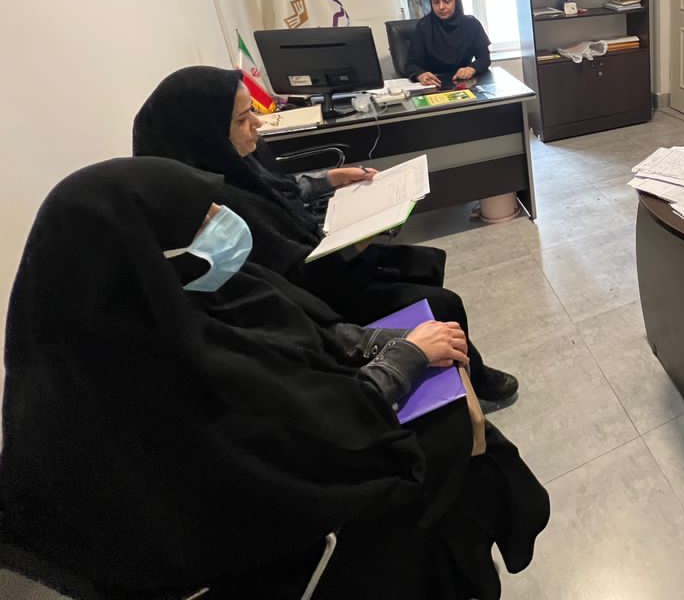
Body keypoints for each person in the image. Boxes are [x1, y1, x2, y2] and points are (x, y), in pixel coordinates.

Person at [0, 158, 548, 598]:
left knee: (449, 395)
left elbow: (296, 333)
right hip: (277, 542)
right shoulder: (135, 381)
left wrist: (373, 345)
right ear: (149, 250)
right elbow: (313, 434)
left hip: (283, 469)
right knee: (453, 436)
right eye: (205, 219)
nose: (224, 221)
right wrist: (400, 360)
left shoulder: (141, 312)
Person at [132, 65, 519, 408]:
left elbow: (281, 188)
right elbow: (295, 279)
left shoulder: (235, 162)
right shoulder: (216, 210)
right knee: (440, 301)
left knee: (412, 268)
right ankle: (470, 380)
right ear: (206, 134)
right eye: (243, 118)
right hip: (313, 301)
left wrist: (331, 178)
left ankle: (467, 372)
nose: (258, 124)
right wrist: (358, 239)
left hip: (318, 262)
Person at [404, 0, 492, 86]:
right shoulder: (423, 27)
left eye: (446, 1)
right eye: (436, 2)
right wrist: (420, 74)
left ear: (456, 1)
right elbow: (411, 64)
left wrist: (472, 68)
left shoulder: (471, 24)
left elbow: (484, 58)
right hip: (433, 84)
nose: (441, 7)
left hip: (464, 83)